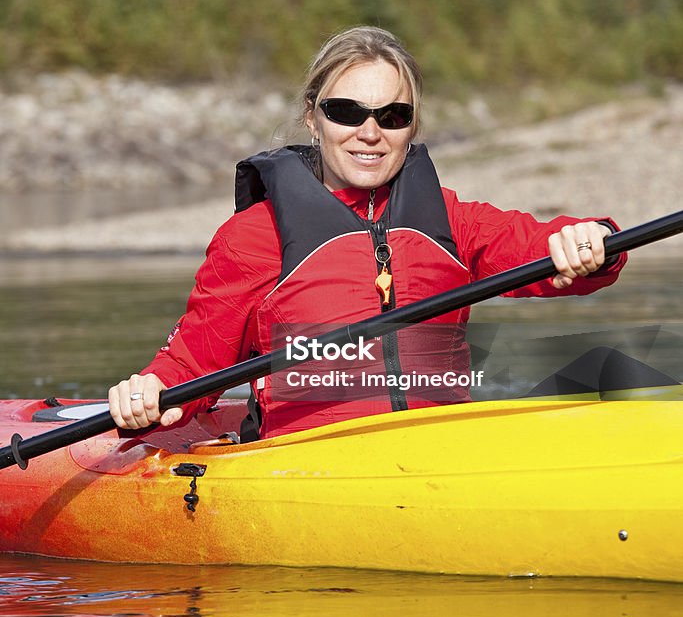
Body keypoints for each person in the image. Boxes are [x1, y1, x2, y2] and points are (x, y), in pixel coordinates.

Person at [108, 27, 626, 439]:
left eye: (393, 115)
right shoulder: (254, 237)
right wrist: (150, 393)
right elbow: (195, 364)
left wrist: (590, 240)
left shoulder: (449, 221)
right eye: (347, 112)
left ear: (412, 127)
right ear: (313, 118)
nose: (370, 133)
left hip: (441, 452)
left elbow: (548, 250)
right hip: (311, 469)